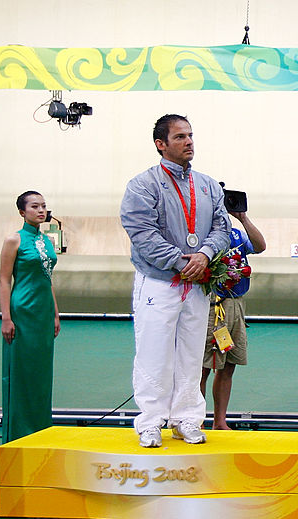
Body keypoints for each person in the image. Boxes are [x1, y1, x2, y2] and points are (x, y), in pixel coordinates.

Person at [120, 114, 230, 448]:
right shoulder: (143, 185)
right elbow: (141, 231)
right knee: (154, 353)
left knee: (192, 353)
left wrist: (204, 256)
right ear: (161, 144)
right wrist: (180, 262)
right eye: (180, 137)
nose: (189, 142)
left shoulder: (208, 185)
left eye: (191, 135)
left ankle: (186, 418)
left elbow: (222, 228)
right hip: (159, 282)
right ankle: (150, 422)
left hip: (196, 283)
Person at [0, 191, 60, 443]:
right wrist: (6, 317)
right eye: (34, 206)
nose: (41, 210)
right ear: (22, 212)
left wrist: (55, 312)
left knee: (41, 373)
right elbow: (4, 279)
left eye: (43, 206)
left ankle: (40, 428)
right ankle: (19, 433)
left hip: (44, 312)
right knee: (22, 370)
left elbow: (47, 279)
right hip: (22, 311)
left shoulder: (47, 240)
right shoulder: (14, 240)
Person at [199, 211, 266, 430]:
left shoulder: (237, 234)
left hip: (236, 304)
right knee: (203, 367)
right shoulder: (202, 236)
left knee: (228, 366)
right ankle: (193, 420)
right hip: (212, 306)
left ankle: (220, 422)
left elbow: (260, 246)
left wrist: (244, 218)